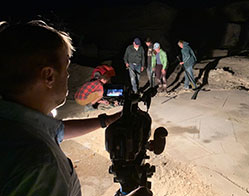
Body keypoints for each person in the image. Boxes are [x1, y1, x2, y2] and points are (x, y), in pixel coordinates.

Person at [0, 21, 152, 196]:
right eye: (66, 67)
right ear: (49, 76)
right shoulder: (41, 166)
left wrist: (106, 120)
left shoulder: (15, 122)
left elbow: (58, 130)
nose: (68, 74)